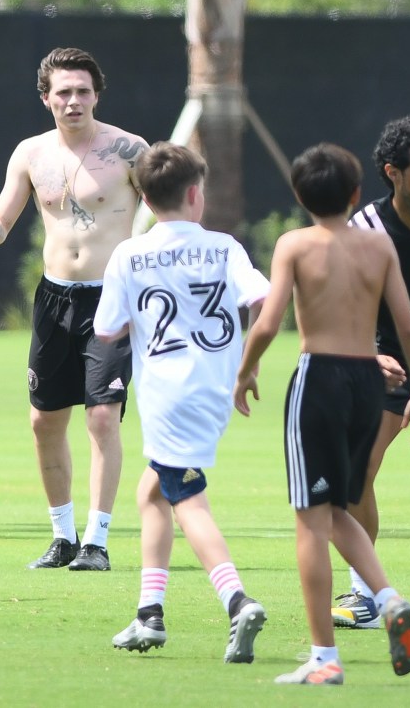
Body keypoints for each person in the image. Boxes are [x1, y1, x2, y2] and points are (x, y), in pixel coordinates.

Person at [233, 142, 410, 684]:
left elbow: (267, 321)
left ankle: (324, 659)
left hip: (321, 378)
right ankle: (389, 602)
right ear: (357, 192)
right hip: (369, 381)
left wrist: (245, 372)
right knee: (339, 505)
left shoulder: (293, 244)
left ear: (298, 195)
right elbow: (407, 324)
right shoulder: (379, 248)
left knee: (310, 519)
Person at [0, 46, 149, 571]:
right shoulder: (30, 153)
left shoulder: (129, 149)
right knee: (43, 421)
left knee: (101, 417)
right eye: (63, 92)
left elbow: (170, 209)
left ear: (97, 94)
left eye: (83, 91)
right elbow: (3, 219)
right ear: (46, 98)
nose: (74, 101)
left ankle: (96, 540)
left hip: (111, 298)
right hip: (54, 299)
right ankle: (62, 537)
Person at [93, 142, 269, 662]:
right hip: (214, 391)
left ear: (145, 200)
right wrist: (249, 360)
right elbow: (262, 298)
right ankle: (150, 613)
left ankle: (236, 600)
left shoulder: (129, 252)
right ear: (196, 194)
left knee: (186, 497)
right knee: (152, 494)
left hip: (169, 395)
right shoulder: (224, 246)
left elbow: (107, 330)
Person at [332, 115, 410, 629]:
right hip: (389, 363)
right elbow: (339, 304)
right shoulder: (366, 228)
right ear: (394, 172)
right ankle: (366, 594)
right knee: (354, 474)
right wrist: (365, 354)